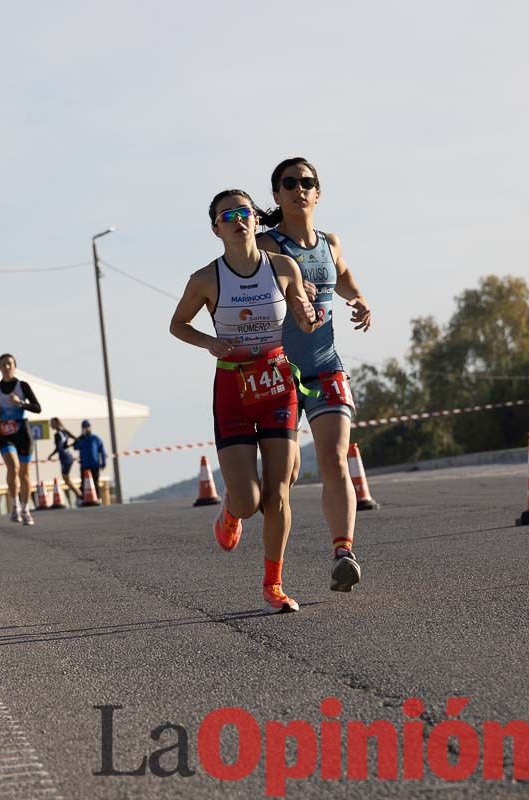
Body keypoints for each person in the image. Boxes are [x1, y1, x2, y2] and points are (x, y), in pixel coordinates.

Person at [169, 189, 322, 613]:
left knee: (277, 495)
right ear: (216, 228)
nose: (238, 219)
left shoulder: (284, 267)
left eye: (245, 212)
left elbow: (304, 320)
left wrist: (310, 317)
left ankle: (273, 584)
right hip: (233, 387)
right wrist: (209, 343)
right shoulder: (205, 279)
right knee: (248, 499)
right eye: (227, 215)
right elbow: (178, 325)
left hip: (276, 382)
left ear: (256, 220)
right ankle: (230, 513)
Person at [258, 157, 371, 593]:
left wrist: (360, 300)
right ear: (277, 195)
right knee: (283, 477)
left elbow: (343, 278)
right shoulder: (267, 245)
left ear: (318, 193)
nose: (298, 189)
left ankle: (344, 551)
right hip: (279, 371)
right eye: (289, 183)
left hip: (325, 364)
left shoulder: (331, 242)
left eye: (307, 182)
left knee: (334, 457)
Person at [0, 353, 43, 526]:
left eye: (9, 364)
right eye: (3, 364)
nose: (7, 367)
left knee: (24, 473)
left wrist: (20, 404)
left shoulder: (22, 386)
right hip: (5, 434)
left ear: (15, 366)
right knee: (13, 467)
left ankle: (25, 509)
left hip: (23, 432)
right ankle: (14, 505)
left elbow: (37, 408)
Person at [71, 420, 107, 503]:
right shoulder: (81, 439)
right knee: (83, 484)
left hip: (94, 465)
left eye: (87, 427)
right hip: (84, 466)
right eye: (84, 427)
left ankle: (97, 499)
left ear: (90, 427)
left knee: (95, 482)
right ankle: (84, 499)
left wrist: (103, 462)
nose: (86, 429)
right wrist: (80, 438)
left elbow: (102, 451)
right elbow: (75, 447)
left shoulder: (95, 439)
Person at [47, 417, 79, 499]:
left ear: (57, 423)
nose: (51, 425)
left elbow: (59, 447)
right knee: (67, 479)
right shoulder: (65, 431)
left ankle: (80, 496)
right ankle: (80, 495)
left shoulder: (57, 434)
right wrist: (68, 446)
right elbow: (76, 439)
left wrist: (51, 455)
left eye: (52, 423)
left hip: (64, 457)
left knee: (66, 479)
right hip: (68, 456)